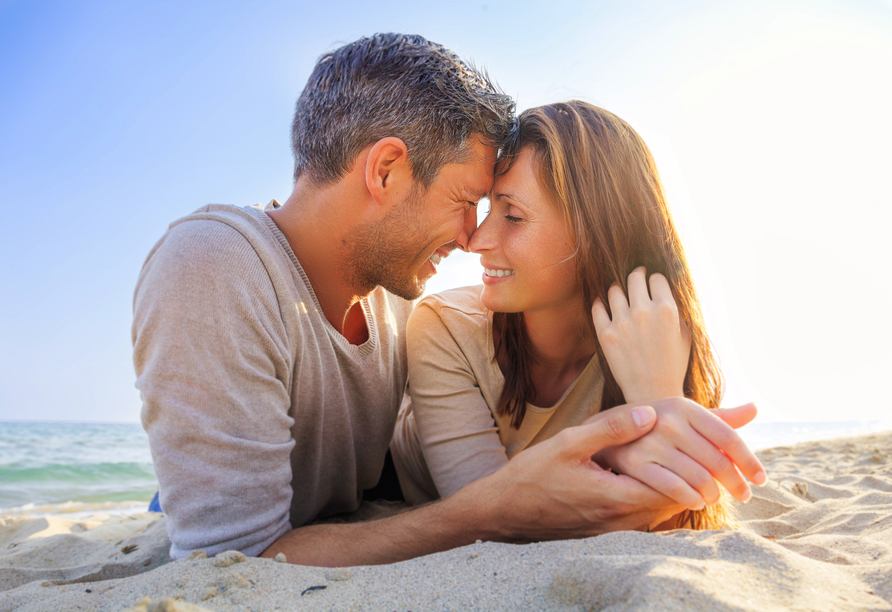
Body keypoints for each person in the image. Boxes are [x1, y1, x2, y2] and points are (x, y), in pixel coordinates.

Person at [133, 34, 763, 568]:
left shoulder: (398, 300)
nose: (472, 238)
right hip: (242, 492)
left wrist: (654, 403)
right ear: (385, 172)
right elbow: (226, 564)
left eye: (499, 211)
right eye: (468, 202)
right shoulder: (213, 264)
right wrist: (496, 505)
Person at [392, 100, 765, 530]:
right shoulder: (446, 325)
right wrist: (616, 445)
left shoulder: (653, 334)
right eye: (489, 209)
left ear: (596, 231)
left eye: (512, 215)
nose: (477, 241)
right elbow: (490, 518)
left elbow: (675, 528)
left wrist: (657, 398)